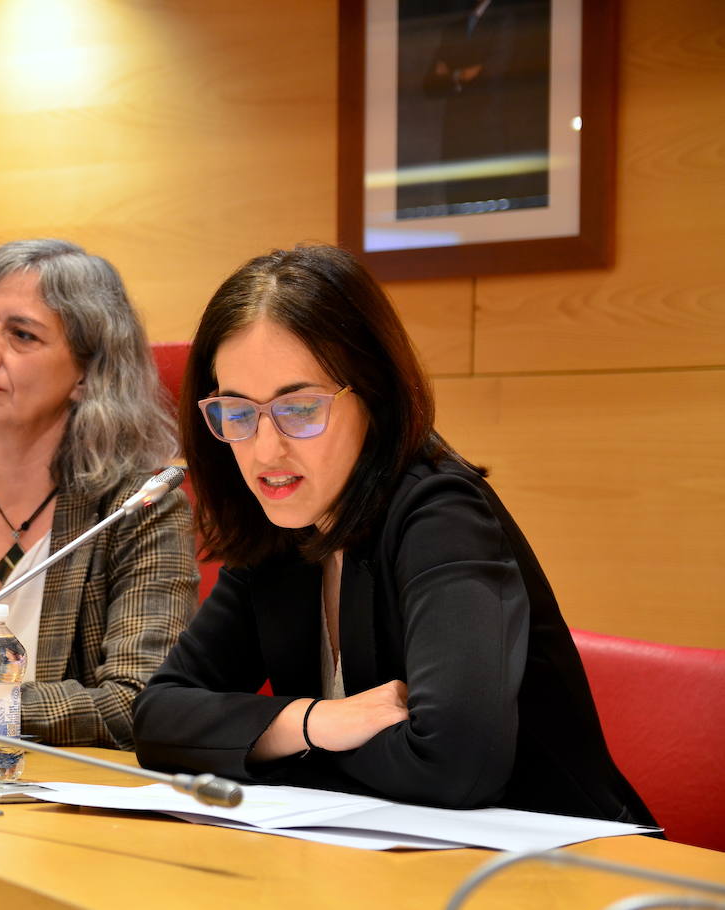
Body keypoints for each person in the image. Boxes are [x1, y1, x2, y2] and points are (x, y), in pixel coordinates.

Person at [133, 244, 655, 824]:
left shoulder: (441, 515)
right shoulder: (281, 526)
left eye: (300, 409)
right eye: (237, 412)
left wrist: (270, 746)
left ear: (373, 399)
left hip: (563, 869)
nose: (265, 448)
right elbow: (159, 717)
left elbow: (453, 765)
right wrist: (315, 723)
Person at [0, 238, 197, 750]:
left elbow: (136, 705)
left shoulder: (137, 510)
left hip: (49, 803)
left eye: (21, 334)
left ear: (89, 374)